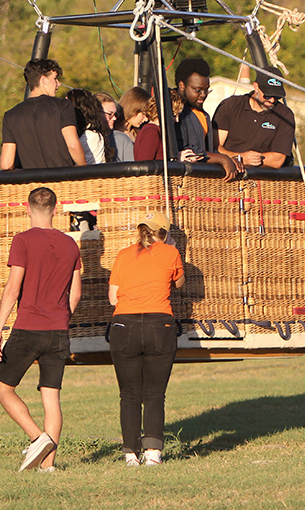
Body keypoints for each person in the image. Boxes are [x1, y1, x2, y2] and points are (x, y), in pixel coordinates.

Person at [0, 187, 83, 472]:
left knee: (3, 388)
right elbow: (76, 295)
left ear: (28, 210)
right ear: (56, 210)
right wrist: (60, 318)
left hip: (28, 328)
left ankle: (36, 437)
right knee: (51, 396)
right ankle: (48, 466)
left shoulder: (23, 240)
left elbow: (13, 287)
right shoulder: (71, 244)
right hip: (58, 331)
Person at [108, 210, 185, 467]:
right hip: (159, 325)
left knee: (128, 394)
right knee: (154, 393)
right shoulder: (171, 252)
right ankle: (153, 454)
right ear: (164, 233)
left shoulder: (122, 255)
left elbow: (112, 297)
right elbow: (180, 283)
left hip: (124, 325)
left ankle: (130, 453)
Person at [0, 59, 87, 170]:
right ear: (43, 80)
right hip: (63, 182)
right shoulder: (63, 106)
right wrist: (85, 170)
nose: (58, 84)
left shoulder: (10, 116)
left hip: (32, 185)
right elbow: (73, 145)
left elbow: (6, 164)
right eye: (55, 78)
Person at [213, 65, 295, 169]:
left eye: (277, 97)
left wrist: (251, 159)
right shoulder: (230, 106)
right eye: (268, 95)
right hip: (229, 173)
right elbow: (215, 148)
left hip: (264, 179)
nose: (272, 100)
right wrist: (240, 158)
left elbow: (277, 160)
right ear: (256, 87)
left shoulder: (284, 115)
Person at [173, 58, 240, 181]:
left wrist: (230, 159)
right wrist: (223, 159)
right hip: (181, 182)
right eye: (197, 90)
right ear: (182, 85)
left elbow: (207, 150)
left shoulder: (203, 114)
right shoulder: (175, 111)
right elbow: (188, 151)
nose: (203, 94)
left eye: (206, 90)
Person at [134, 89, 196, 162]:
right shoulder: (151, 132)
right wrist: (176, 159)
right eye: (174, 115)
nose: (177, 120)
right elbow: (145, 165)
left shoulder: (157, 131)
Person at [66, 88, 114, 164]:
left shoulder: (91, 135)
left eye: (68, 104)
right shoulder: (79, 131)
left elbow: (87, 167)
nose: (64, 108)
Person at [115, 87, 151, 162]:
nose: (146, 119)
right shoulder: (114, 134)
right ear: (133, 109)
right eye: (144, 114)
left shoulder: (138, 133)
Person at [95, 92, 133, 163]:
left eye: (115, 114)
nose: (114, 118)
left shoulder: (122, 140)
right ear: (96, 113)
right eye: (110, 114)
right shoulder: (86, 138)